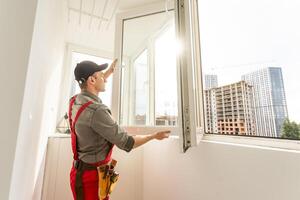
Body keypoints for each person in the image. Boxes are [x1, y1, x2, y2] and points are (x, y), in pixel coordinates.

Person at [68, 59, 170, 200]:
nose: (104, 77)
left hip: (78, 173)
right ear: (92, 80)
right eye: (101, 75)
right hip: (92, 181)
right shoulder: (97, 111)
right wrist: (153, 136)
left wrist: (107, 73)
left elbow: (90, 94)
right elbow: (128, 142)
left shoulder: (75, 101)